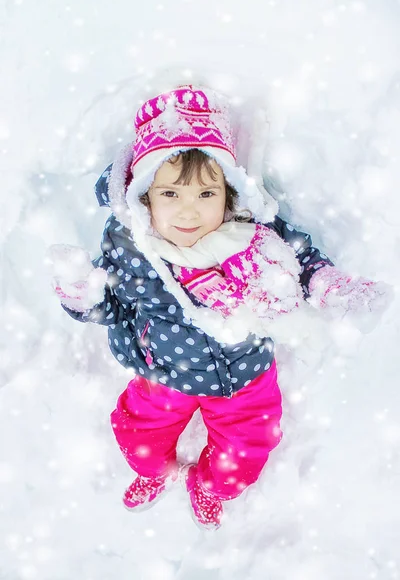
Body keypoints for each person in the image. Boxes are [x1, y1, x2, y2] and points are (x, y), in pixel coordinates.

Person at [49, 84, 393, 529]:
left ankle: (209, 485)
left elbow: (301, 262)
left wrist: (328, 284)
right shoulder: (131, 248)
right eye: (170, 194)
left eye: (205, 195)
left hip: (247, 376)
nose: (188, 211)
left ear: (228, 195)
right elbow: (113, 306)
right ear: (143, 197)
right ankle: (156, 472)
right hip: (164, 373)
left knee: (247, 449)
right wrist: (85, 297)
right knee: (138, 436)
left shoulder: (252, 236)